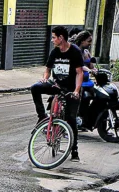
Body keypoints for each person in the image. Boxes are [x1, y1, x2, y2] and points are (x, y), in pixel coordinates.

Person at [30, 26, 84, 161]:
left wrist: (76, 91)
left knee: (71, 119)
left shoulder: (75, 52)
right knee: (35, 87)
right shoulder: (55, 51)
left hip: (71, 90)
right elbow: (47, 69)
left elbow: (79, 73)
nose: (52, 40)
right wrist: (45, 78)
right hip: (57, 85)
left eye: (54, 37)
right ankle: (42, 116)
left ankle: (74, 150)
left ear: (61, 38)